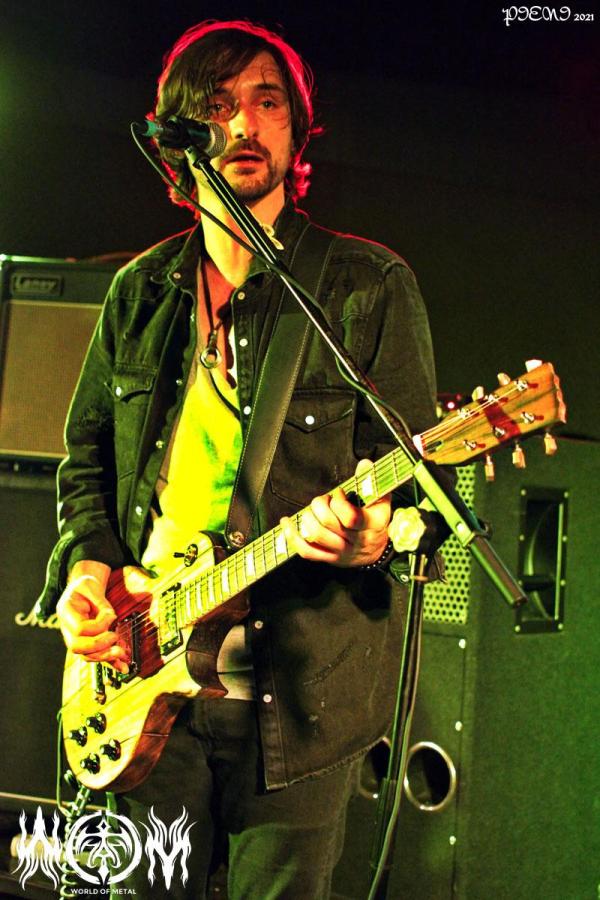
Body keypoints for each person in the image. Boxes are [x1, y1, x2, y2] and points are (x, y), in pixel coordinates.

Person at [37, 19, 446, 899]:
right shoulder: (140, 291)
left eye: (268, 104)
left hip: (296, 696)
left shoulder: (365, 285)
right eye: (218, 106)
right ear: (180, 135)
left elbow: (423, 485)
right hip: (138, 675)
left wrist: (376, 536)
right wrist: (87, 572)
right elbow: (85, 466)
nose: (245, 126)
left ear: (298, 132)